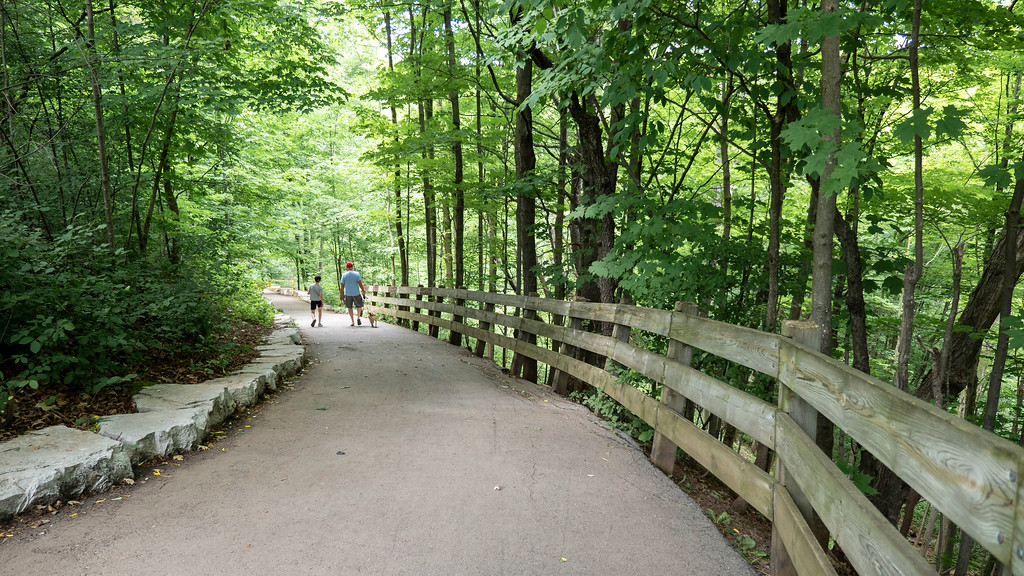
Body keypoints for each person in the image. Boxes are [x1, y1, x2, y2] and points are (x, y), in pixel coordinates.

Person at [339, 262, 367, 326]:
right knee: (359, 306)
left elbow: (342, 286)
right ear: (352, 267)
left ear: (347, 268)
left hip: (348, 293)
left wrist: (341, 294)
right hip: (356, 293)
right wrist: (363, 290)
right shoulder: (357, 274)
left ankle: (352, 321)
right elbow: (360, 283)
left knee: (349, 307)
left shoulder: (344, 275)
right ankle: (358, 317)